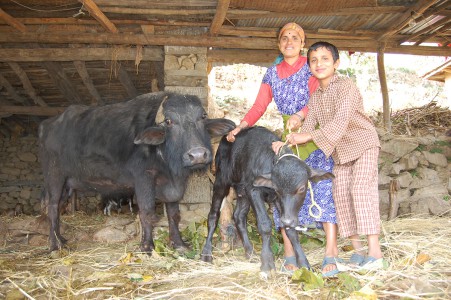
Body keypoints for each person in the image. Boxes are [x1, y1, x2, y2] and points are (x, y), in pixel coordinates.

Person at [226, 22, 339, 277]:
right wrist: (239, 128)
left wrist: (300, 116)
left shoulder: (311, 68)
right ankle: (289, 254)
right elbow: (258, 107)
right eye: (285, 38)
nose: (289, 41)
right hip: (289, 140)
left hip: (315, 132)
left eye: (295, 37)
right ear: (279, 44)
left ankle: (331, 252)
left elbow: (317, 100)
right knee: (282, 193)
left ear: (302, 43)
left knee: (322, 188)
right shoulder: (272, 73)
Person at [272, 41, 383, 269]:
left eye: (325, 59)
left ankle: (376, 253)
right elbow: (307, 128)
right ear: (309, 67)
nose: (318, 64)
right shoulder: (317, 96)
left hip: (363, 144)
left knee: (360, 190)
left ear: (336, 63)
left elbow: (339, 123)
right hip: (340, 152)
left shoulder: (346, 87)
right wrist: (287, 142)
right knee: (340, 195)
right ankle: (358, 252)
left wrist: (306, 136)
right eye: (313, 60)